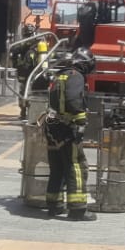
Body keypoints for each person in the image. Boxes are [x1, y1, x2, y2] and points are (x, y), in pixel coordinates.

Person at [44, 49, 97, 222]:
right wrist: (81, 123)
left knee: (58, 167)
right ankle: (78, 209)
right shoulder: (76, 76)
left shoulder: (60, 75)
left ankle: (54, 205)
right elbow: (74, 99)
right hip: (67, 128)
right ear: (84, 64)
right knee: (77, 167)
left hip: (53, 127)